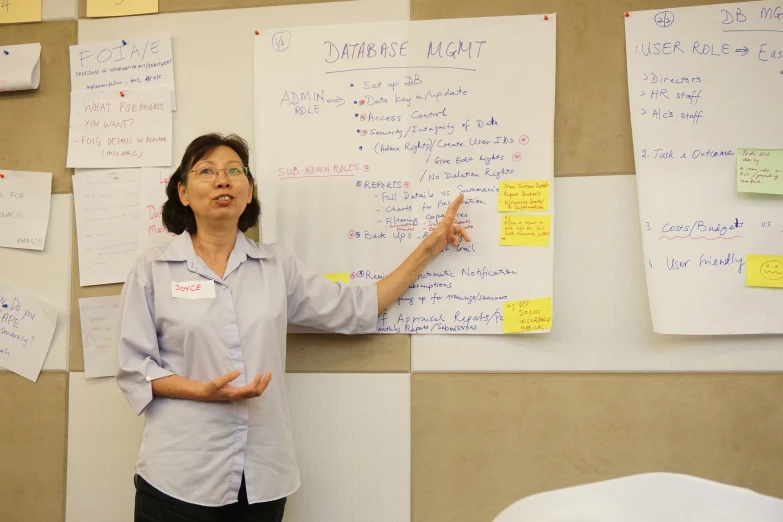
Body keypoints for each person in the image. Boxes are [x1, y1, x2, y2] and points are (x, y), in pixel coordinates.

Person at [116, 133, 470, 522]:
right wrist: (201, 391)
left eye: (235, 171)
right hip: (178, 476)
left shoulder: (276, 266)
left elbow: (354, 308)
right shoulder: (153, 269)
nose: (223, 180)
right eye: (207, 171)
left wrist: (428, 248)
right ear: (182, 192)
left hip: (262, 475)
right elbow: (135, 370)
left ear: (248, 191)